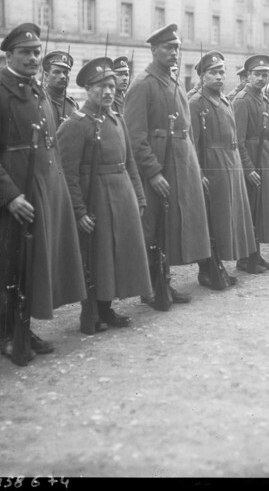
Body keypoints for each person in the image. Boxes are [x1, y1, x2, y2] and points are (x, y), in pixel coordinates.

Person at [0, 23, 87, 363]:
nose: (33, 58)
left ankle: (24, 326)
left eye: (36, 52)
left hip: (44, 190)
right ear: (8, 56)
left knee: (33, 263)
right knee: (10, 264)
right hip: (13, 195)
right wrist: (8, 196)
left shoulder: (38, 93)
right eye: (25, 53)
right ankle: (7, 335)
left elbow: (52, 146)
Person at [57, 57, 151, 334]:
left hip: (121, 197)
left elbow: (130, 161)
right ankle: (92, 313)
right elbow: (67, 173)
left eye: (111, 85)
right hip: (95, 198)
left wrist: (139, 196)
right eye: (101, 86)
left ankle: (107, 308)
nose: (108, 91)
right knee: (96, 258)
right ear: (88, 89)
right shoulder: (76, 124)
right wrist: (79, 211)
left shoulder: (117, 119)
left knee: (116, 255)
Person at [122, 23, 210, 307]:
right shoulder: (142, 85)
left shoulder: (174, 82)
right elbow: (134, 138)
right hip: (157, 167)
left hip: (179, 165)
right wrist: (153, 172)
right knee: (152, 226)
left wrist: (195, 168)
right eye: (168, 48)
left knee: (169, 225)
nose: (174, 53)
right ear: (153, 50)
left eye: (176, 48)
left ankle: (165, 282)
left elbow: (187, 130)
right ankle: (150, 288)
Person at [189, 51, 256, 286]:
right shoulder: (197, 102)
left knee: (226, 217)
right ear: (202, 75)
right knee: (212, 219)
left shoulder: (224, 99)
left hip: (230, 164)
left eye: (221, 72)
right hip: (212, 168)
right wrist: (198, 173)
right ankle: (207, 269)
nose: (219, 77)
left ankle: (218, 265)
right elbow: (192, 143)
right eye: (213, 72)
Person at [233, 54, 269, 272]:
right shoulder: (242, 101)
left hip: (265, 158)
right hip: (252, 160)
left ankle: (256, 255)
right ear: (247, 76)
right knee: (251, 209)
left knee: (261, 208)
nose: (262, 78)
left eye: (265, 74)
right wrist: (248, 168)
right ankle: (245, 259)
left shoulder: (263, 99)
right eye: (257, 74)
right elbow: (238, 140)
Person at [42, 50, 78, 126]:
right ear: (46, 76)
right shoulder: (40, 101)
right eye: (57, 72)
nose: (62, 76)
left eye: (66, 72)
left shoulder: (72, 105)